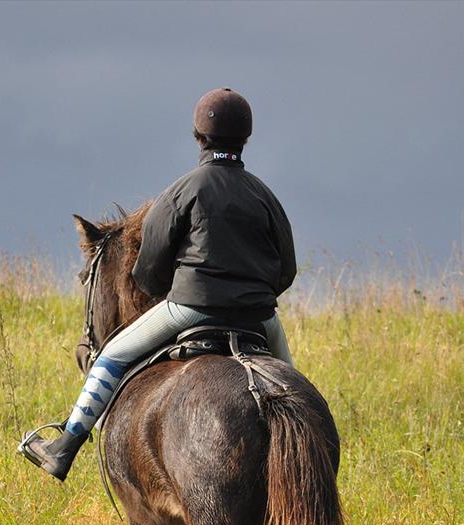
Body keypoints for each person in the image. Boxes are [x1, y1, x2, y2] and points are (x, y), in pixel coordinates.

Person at [19, 87, 297, 482]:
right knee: (293, 390)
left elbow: (147, 271)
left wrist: (178, 291)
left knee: (111, 356)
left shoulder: (182, 191)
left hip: (190, 308)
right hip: (258, 318)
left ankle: (64, 446)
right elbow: (287, 270)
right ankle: (310, 457)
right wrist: (255, 298)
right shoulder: (266, 197)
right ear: (245, 139)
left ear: (199, 137)